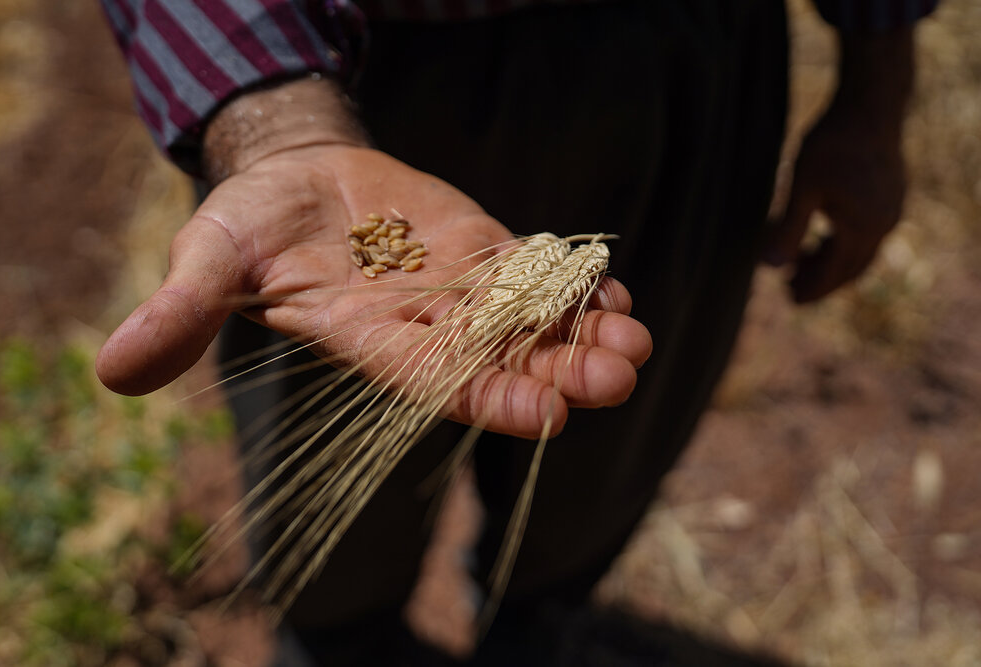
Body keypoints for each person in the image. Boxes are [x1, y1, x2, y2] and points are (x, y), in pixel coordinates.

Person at [96, 1, 936, 664]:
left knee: (604, 451)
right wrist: (279, 125)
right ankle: (337, 639)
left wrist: (876, 83)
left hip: (689, 54)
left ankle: (533, 622)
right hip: (355, 64)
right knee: (327, 484)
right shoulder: (359, 229)